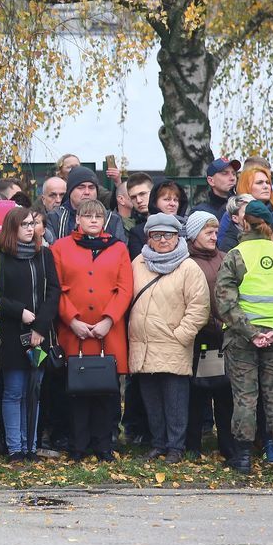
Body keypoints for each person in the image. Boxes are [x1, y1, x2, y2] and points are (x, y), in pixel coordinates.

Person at [215, 200, 273, 476]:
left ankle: (243, 458)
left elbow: (224, 301)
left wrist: (250, 332)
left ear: (245, 223)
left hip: (243, 339)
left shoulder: (235, 255)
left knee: (245, 397)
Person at [50, 198, 132, 462]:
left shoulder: (118, 249)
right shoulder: (60, 248)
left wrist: (109, 319)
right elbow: (56, 288)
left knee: (106, 394)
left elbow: (125, 288)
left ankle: (104, 446)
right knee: (77, 392)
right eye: (87, 216)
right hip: (75, 332)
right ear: (78, 220)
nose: (93, 220)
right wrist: (72, 319)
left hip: (109, 332)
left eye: (98, 216)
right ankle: (77, 447)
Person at [127, 213, 210, 463]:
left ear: (178, 237)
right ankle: (159, 442)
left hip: (174, 343)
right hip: (143, 344)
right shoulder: (138, 263)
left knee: (175, 400)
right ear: (148, 238)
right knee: (151, 399)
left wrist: (181, 335)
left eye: (169, 235)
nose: (163, 240)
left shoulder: (188, 267)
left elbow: (199, 307)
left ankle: (176, 446)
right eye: (157, 235)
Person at [0, 206, 59, 461]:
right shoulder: (0, 256)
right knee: (13, 391)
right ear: (13, 228)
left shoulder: (44, 255)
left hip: (39, 336)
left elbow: (53, 291)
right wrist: (19, 311)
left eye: (33, 223)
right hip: (11, 332)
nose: (31, 228)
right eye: (25, 224)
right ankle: (15, 448)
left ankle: (31, 446)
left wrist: (40, 327)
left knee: (34, 389)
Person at [183, 211, 236, 460]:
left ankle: (228, 446)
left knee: (225, 395)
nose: (215, 236)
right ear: (194, 235)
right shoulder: (185, 261)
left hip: (223, 336)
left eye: (216, 232)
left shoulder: (225, 258)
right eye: (208, 232)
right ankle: (192, 445)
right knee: (197, 394)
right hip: (200, 336)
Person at [44, 167, 126, 245]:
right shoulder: (54, 218)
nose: (87, 192)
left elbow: (121, 253)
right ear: (70, 191)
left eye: (91, 187)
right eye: (81, 187)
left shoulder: (112, 219)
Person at [191, 158, 240, 223]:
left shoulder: (241, 206)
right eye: (225, 173)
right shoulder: (200, 212)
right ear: (211, 181)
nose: (232, 178)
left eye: (234, 174)